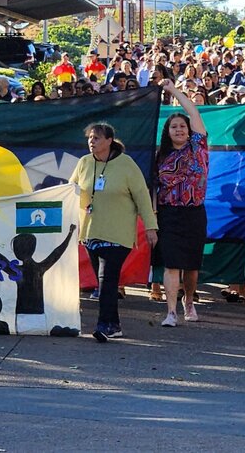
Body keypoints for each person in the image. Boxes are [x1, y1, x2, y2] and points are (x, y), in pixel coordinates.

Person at [69, 123, 158, 342]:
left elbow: (142, 197)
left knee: (107, 279)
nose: (92, 142)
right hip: (91, 232)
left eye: (97, 138)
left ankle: (104, 325)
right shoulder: (84, 163)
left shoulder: (126, 164)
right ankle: (114, 324)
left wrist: (150, 226)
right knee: (104, 283)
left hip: (118, 233)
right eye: (90, 138)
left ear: (109, 141)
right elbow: (69, 191)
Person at [155, 79, 209, 327]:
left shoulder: (198, 146)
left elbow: (194, 111)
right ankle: (171, 311)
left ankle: (189, 302)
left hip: (194, 213)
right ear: (167, 132)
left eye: (182, 126)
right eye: (174, 127)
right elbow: (153, 187)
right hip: (168, 214)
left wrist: (172, 91)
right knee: (172, 263)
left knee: (191, 265)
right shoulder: (161, 156)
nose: (179, 130)